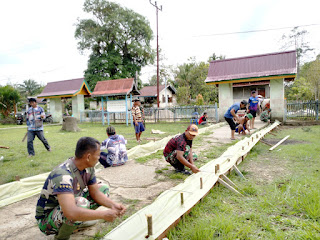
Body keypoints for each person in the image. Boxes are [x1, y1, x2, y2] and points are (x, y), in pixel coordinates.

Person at [35, 137, 126, 240]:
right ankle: (62, 237)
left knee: (103, 189)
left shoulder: (89, 168)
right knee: (81, 203)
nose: (99, 157)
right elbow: (71, 212)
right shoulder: (63, 175)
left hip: (66, 207)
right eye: (98, 154)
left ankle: (77, 222)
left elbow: (95, 193)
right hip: (47, 220)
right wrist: (103, 214)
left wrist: (114, 205)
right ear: (88, 157)